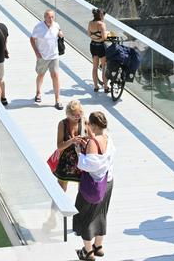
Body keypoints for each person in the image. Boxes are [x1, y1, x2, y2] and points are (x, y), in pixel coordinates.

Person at [73, 110, 114, 260]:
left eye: (89, 123)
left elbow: (88, 165)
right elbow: (102, 159)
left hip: (93, 186)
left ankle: (88, 252)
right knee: (101, 213)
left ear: (94, 125)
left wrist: (79, 153)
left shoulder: (92, 142)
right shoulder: (108, 138)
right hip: (108, 182)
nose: (87, 126)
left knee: (85, 216)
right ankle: (99, 246)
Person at [30, 9, 63, 109]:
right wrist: (36, 52)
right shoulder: (38, 27)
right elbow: (32, 39)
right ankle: (38, 92)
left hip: (54, 55)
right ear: (45, 17)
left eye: (52, 17)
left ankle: (57, 100)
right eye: (49, 17)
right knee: (41, 75)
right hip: (43, 56)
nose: (51, 19)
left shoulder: (56, 25)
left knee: (55, 76)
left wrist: (61, 34)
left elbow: (59, 31)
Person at [53, 99, 84, 192]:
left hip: (80, 158)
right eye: (75, 116)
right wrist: (72, 141)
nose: (78, 117)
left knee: (82, 188)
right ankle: (57, 206)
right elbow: (59, 146)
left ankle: (79, 206)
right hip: (65, 159)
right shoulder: (62, 124)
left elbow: (92, 137)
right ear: (68, 114)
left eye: (80, 114)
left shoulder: (83, 121)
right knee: (61, 189)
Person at [87, 8, 108, 93]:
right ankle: (106, 87)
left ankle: (96, 86)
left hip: (93, 45)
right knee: (104, 67)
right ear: (101, 15)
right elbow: (104, 37)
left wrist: (95, 37)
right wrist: (106, 33)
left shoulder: (90, 23)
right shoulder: (101, 24)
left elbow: (89, 34)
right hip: (101, 46)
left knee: (94, 67)